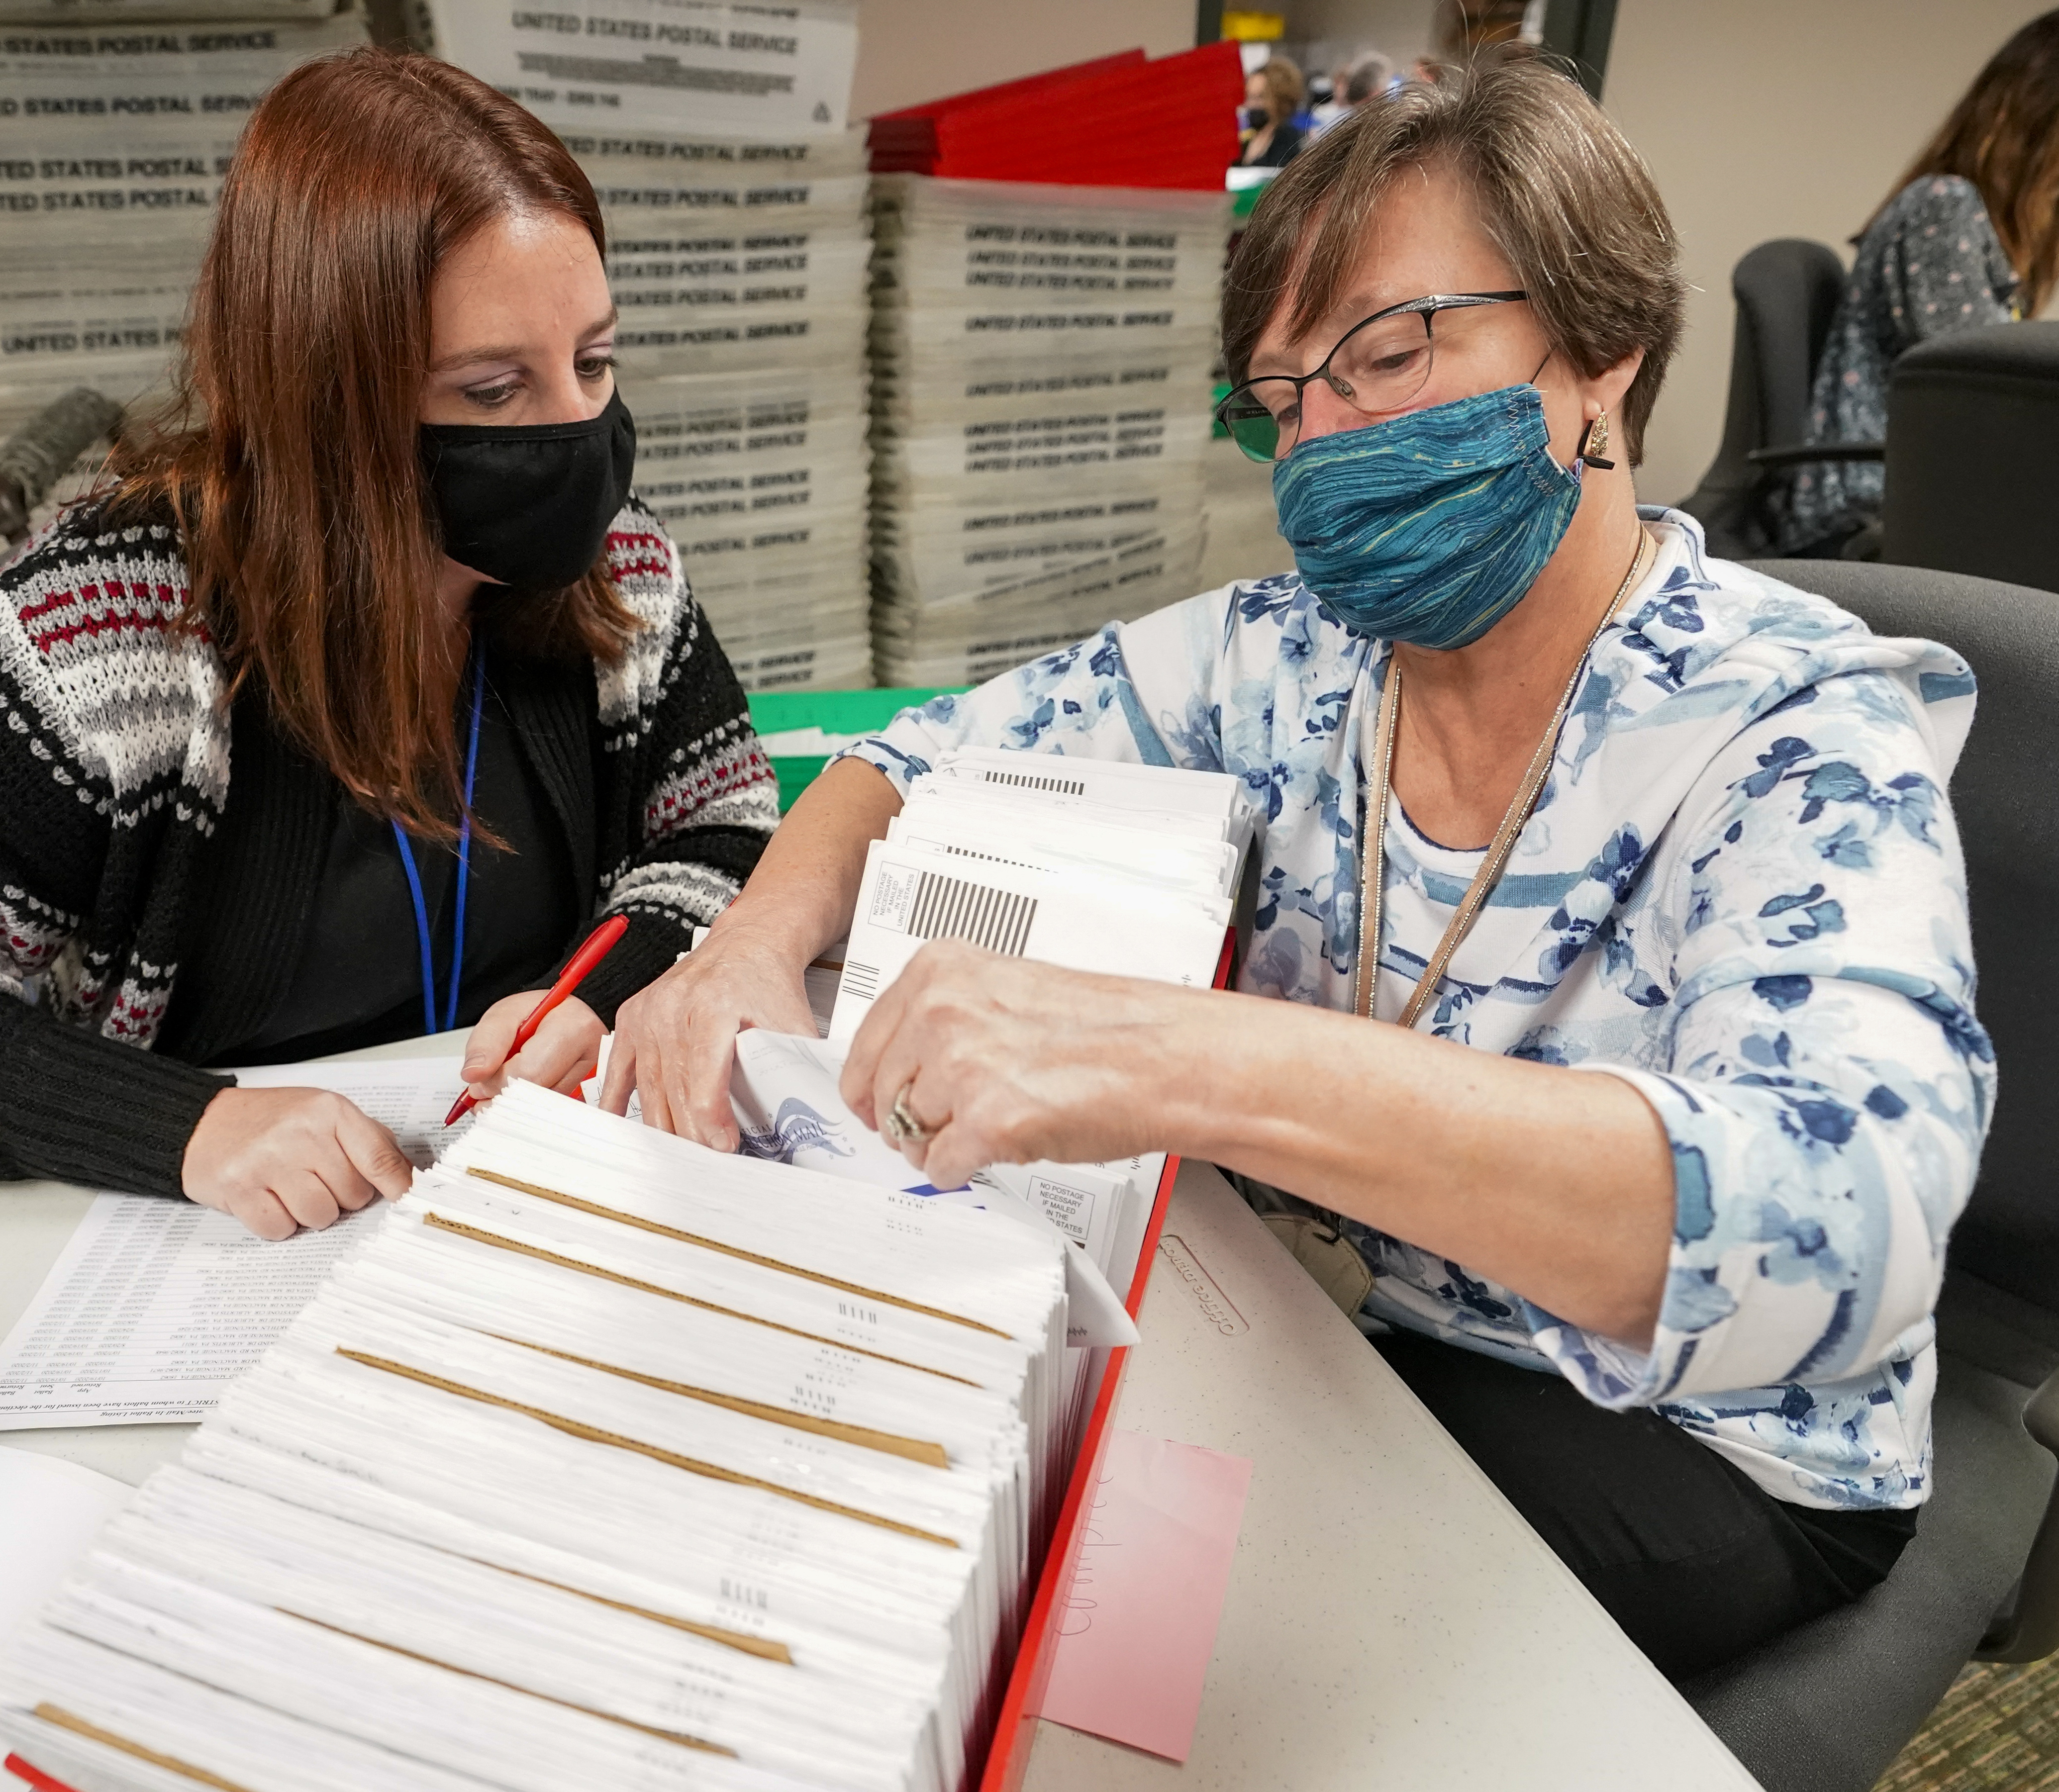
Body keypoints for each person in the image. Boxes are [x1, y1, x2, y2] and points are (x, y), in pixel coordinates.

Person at [608, 63, 1994, 1681]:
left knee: (1144, 1659)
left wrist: (1184, 1060)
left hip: (1694, 1428)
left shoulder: (1790, 724)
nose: (1323, 442)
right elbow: (914, 750)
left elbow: (1845, 1223)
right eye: (1284, 401)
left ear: (1603, 349)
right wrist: (750, 949)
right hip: (1350, 1328)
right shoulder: (1296, 655)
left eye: (1387, 355)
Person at [0, 50, 777, 1242]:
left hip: (538, 1188)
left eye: (592, 360)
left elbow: (720, 827)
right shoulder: (100, 633)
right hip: (220, 1236)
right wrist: (180, 1127)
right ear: (328, 398)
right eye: (491, 390)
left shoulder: (615, 567)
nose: (578, 432)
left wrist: (610, 987)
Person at [1772, 10, 2059, 556]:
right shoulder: (1944, 209)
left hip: (1923, 501)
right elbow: (1979, 399)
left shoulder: (1981, 231)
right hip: (1871, 512)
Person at [1237, 58, 1308, 170]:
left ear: (1280, 100)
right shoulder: (1247, 139)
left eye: (1260, 98)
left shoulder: (1289, 140)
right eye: (1249, 97)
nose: (1251, 105)